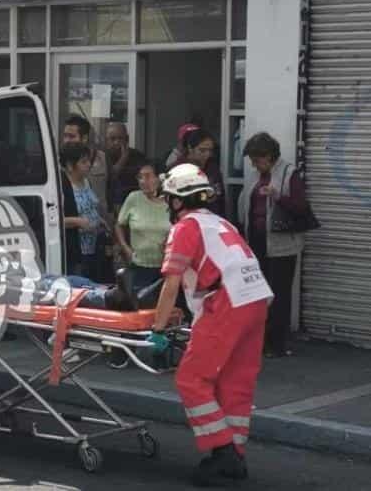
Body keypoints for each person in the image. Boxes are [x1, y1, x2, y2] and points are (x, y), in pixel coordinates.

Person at [148, 163, 273, 487]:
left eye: (168, 199)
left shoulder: (185, 228)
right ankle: (235, 457)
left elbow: (171, 283)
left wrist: (159, 330)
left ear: (177, 201)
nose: (166, 205)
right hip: (256, 298)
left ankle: (222, 451)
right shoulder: (220, 223)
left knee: (191, 379)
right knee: (235, 382)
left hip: (227, 302)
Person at [238, 132, 308, 358]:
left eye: (257, 160)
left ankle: (277, 342)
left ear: (268, 156)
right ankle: (259, 340)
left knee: (278, 294)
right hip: (256, 241)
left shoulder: (289, 173)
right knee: (257, 293)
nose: (254, 165)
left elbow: (300, 207)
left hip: (281, 245)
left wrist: (277, 196)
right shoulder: (254, 175)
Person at [114, 161, 171, 305]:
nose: (143, 181)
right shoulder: (134, 198)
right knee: (137, 305)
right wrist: (126, 248)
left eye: (147, 176)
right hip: (138, 266)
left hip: (165, 269)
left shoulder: (171, 201)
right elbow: (119, 225)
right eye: (140, 177)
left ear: (159, 178)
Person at [61, 143, 106, 282]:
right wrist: (78, 222)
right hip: (76, 250)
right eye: (83, 162)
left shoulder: (86, 182)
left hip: (93, 247)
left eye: (89, 161)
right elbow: (54, 220)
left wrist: (101, 221)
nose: (88, 165)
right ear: (70, 165)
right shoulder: (62, 188)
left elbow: (92, 207)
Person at [62, 114, 109, 217]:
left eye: (71, 136)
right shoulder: (59, 162)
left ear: (84, 138)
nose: (67, 140)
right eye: (65, 136)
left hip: (101, 223)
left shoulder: (103, 159)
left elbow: (111, 189)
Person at [173, 128, 225, 216]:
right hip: (187, 219)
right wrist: (206, 196)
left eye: (210, 150)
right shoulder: (178, 169)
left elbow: (220, 197)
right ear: (190, 148)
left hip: (212, 219)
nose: (207, 154)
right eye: (202, 150)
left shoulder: (212, 168)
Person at [105, 122, 147, 219]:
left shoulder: (138, 157)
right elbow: (111, 177)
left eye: (120, 138)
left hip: (135, 210)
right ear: (106, 141)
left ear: (127, 139)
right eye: (112, 139)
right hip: (110, 212)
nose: (116, 142)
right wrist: (123, 158)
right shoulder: (102, 157)